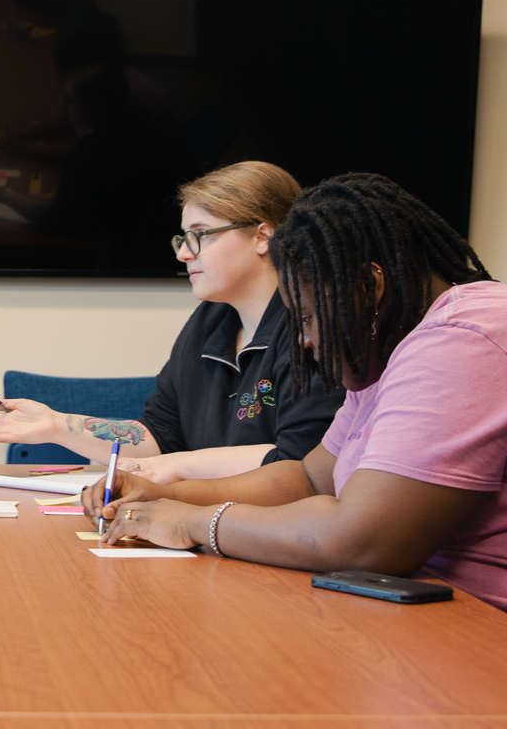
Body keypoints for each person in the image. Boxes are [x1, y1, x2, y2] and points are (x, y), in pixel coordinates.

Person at [83, 173, 507, 611]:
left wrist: (192, 521)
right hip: (416, 607)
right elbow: (308, 478)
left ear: (368, 287)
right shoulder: (389, 342)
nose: (304, 341)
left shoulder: (464, 338)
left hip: (480, 625)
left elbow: (362, 542)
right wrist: (164, 495)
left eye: (306, 319)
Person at [0, 161, 345, 482]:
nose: (184, 255)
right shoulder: (211, 320)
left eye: (201, 235)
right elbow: (159, 435)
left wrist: (176, 467)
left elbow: (300, 463)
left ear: (263, 236)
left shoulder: (315, 329)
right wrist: (59, 426)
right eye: (183, 238)